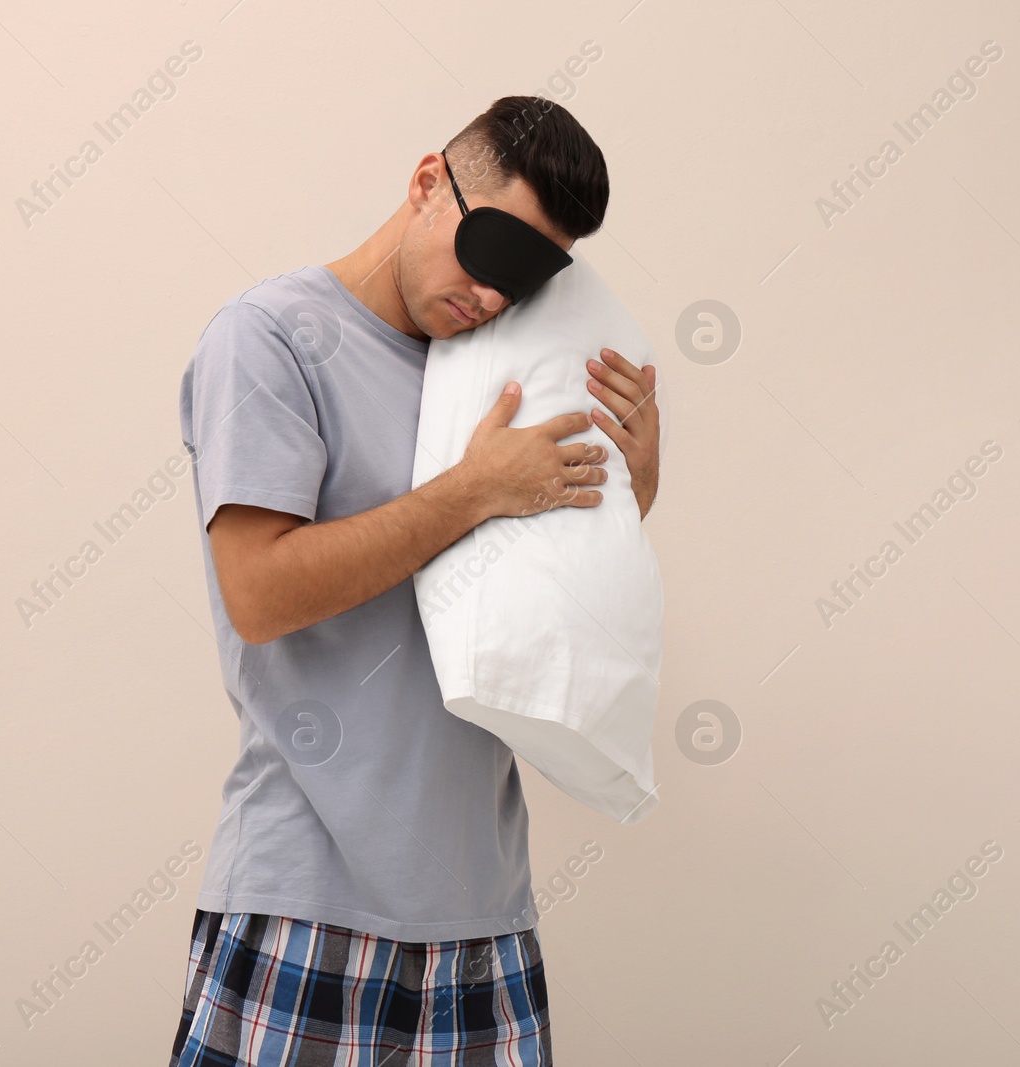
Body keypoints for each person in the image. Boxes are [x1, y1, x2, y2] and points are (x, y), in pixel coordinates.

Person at [169, 95, 660, 1066]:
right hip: (308, 897)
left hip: (484, 912)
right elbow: (259, 592)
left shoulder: (491, 362)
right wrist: (473, 489)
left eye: (528, 281)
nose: (492, 298)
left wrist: (633, 479)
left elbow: (542, 585)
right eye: (489, 256)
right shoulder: (268, 338)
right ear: (427, 182)